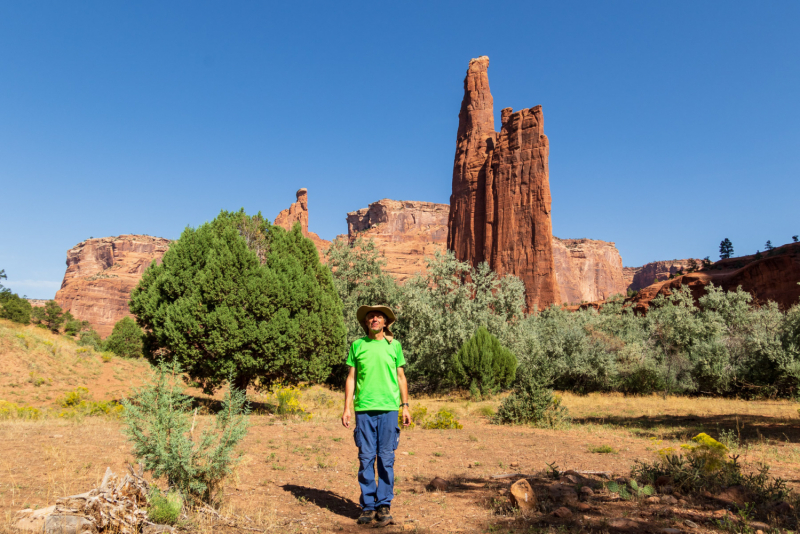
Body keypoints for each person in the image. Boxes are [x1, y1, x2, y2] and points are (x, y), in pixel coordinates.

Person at [342, 305, 411, 527]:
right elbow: (351, 378)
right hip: (363, 409)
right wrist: (347, 408)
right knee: (366, 458)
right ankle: (368, 506)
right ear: (366, 322)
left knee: (386, 458)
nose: (374, 319)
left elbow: (401, 377)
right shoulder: (358, 345)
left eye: (378, 316)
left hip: (389, 409)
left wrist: (405, 406)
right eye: (371, 316)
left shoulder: (395, 346)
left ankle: (384, 505)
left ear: (385, 322)